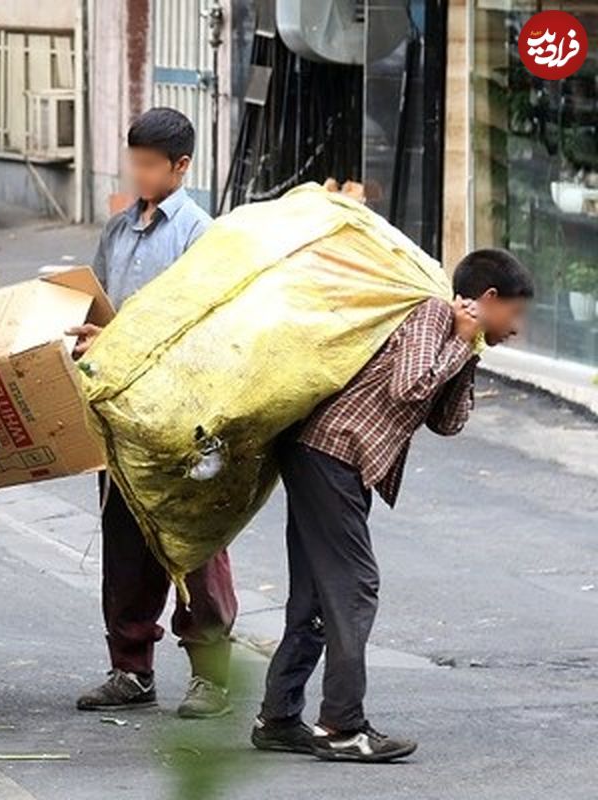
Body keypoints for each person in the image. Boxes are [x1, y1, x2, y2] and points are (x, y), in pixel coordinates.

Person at [251, 249, 534, 763]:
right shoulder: (430, 312)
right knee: (354, 587)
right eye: (514, 314)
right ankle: (341, 726)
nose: (515, 329)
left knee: (317, 593)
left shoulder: (457, 335)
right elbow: (409, 388)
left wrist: (467, 351)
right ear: (488, 298)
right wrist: (460, 340)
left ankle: (278, 719)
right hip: (331, 452)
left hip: (336, 461)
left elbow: (445, 422)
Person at [69, 107, 239, 719]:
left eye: (149, 165)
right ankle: (131, 668)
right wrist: (93, 333)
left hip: (184, 413)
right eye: (132, 162)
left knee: (193, 540)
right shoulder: (118, 231)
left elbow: (202, 325)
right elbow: (106, 310)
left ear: (181, 166)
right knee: (125, 542)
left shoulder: (200, 233)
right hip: (120, 411)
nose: (138, 174)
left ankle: (211, 675)